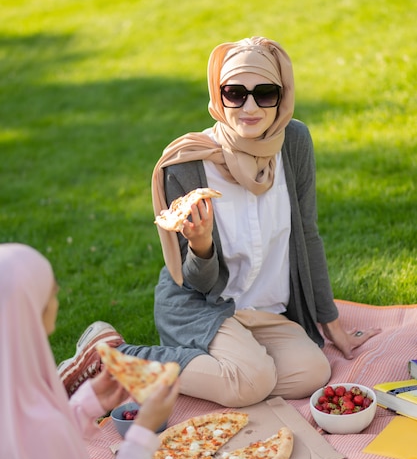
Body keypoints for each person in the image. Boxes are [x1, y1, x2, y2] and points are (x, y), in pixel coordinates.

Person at [1, 242, 413, 459]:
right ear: (32, 312)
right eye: (49, 290)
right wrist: (144, 433)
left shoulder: (16, 395)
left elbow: (34, 444)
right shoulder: (45, 429)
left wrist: (89, 403)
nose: (57, 292)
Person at [59, 36, 380, 406]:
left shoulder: (293, 143)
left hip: (264, 310)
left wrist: (332, 323)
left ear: (283, 95)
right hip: (204, 305)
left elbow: (307, 235)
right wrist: (201, 244)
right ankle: (112, 359)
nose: (250, 106)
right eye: (234, 93)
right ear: (218, 93)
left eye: (265, 93)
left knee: (312, 372)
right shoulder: (187, 164)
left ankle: (224, 365)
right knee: (251, 383)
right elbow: (196, 282)